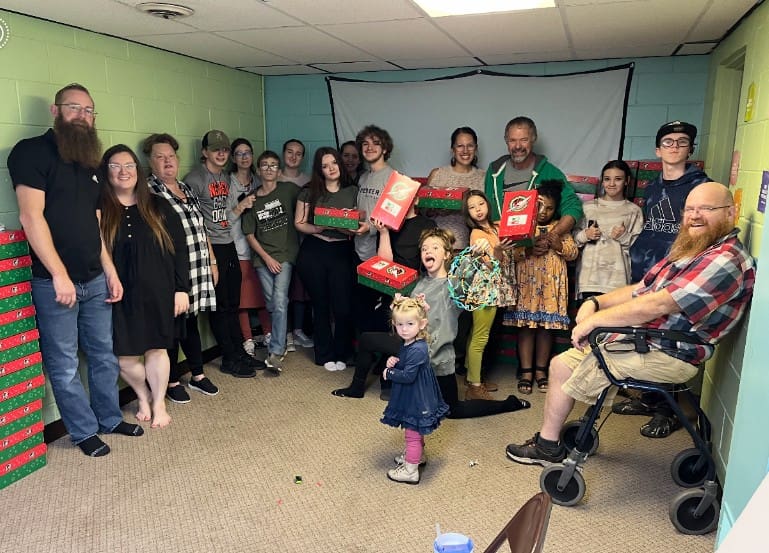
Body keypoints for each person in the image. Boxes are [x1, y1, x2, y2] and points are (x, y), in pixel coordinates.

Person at [505, 182, 755, 467]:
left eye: (706, 209)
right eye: (690, 209)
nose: (695, 216)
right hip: (649, 340)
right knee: (561, 364)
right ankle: (548, 444)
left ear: (730, 213)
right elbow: (642, 288)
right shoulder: (697, 249)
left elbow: (658, 304)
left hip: (669, 352)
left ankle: (549, 447)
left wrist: (595, 321)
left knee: (574, 362)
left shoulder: (724, 259)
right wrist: (596, 302)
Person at [9, 83, 143, 457]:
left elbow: (95, 224)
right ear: (56, 112)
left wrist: (110, 271)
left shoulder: (90, 163)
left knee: (104, 355)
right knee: (65, 363)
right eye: (74, 107)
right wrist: (59, 274)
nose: (82, 116)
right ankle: (83, 431)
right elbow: (31, 217)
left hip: (95, 278)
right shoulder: (30, 152)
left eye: (88, 110)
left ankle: (109, 419)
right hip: (54, 283)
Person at [333, 228, 529, 419]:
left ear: (447, 255)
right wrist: (399, 306)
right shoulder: (417, 283)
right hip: (412, 349)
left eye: (435, 247)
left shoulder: (453, 285)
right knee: (367, 339)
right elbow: (407, 320)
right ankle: (356, 389)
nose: (428, 251)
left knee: (453, 411)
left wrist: (482, 252)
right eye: (425, 248)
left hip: (436, 358)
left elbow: (475, 271)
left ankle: (508, 404)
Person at [621, 121, 712, 438]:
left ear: (690, 149)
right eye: (668, 142)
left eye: (682, 142)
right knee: (643, 336)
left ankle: (668, 411)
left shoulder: (700, 187)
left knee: (669, 340)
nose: (674, 147)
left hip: (676, 276)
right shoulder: (653, 186)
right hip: (647, 271)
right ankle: (649, 398)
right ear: (658, 150)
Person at [99, 144, 189, 428]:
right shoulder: (101, 210)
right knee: (124, 358)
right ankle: (143, 394)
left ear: (138, 170)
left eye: (129, 165)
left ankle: (158, 402)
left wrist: (181, 289)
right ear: (106, 172)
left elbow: (180, 249)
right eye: (115, 166)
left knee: (156, 350)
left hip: (158, 290)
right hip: (119, 294)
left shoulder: (159, 206)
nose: (123, 172)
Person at [144, 133, 220, 403]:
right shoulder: (149, 192)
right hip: (171, 273)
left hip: (197, 268)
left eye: (171, 156)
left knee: (190, 322)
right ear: (150, 161)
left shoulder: (186, 188)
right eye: (160, 157)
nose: (167, 162)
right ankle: (172, 381)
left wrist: (212, 261)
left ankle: (197, 375)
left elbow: (201, 228)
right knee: (172, 327)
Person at [184, 130, 263, 379]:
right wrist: (209, 256)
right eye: (215, 149)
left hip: (228, 242)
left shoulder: (226, 178)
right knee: (219, 305)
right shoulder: (195, 179)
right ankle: (229, 358)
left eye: (225, 149)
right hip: (211, 247)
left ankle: (238, 352)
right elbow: (192, 219)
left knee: (232, 303)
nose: (221, 153)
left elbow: (228, 212)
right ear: (204, 152)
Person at [507, 181, 578, 394]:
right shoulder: (522, 227)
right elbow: (509, 254)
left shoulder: (561, 228)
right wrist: (528, 251)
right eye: (539, 206)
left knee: (546, 330)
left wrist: (558, 245)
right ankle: (526, 372)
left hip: (549, 289)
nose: (543, 212)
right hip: (527, 286)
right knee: (526, 329)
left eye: (549, 208)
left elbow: (573, 253)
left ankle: (541, 371)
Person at [294, 147, 357, 371]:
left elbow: (356, 225)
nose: (331, 169)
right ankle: (323, 354)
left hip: (342, 251)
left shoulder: (353, 191)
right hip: (315, 250)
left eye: (334, 163)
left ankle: (342, 353)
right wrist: (318, 227)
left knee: (342, 307)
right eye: (325, 165)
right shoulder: (309, 191)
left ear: (340, 164)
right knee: (320, 305)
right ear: (319, 169)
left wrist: (346, 227)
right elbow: (299, 223)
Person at [241, 150, 301, 372]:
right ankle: (282, 338)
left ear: (278, 170)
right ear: (258, 170)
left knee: (279, 300)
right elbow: (249, 234)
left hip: (285, 255)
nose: (269, 168)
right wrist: (266, 258)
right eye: (264, 165)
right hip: (262, 259)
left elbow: (308, 202)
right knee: (272, 304)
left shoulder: (289, 190)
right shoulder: (252, 199)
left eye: (273, 165)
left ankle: (276, 350)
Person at [381, 294, 449, 484]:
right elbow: (406, 363)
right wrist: (394, 361)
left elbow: (408, 376)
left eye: (410, 324)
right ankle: (417, 456)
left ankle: (411, 471)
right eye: (400, 324)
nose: (404, 329)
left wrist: (389, 372)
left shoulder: (418, 349)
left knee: (412, 432)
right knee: (416, 430)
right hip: (415, 393)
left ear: (421, 324)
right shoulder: (410, 343)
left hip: (416, 396)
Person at [484, 116, 583, 238]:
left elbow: (573, 206)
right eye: (512, 140)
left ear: (533, 139)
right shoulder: (494, 171)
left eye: (524, 140)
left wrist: (552, 235)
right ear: (506, 141)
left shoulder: (550, 172)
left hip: (535, 244)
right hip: (498, 244)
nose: (518, 146)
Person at [462, 191, 516, 400]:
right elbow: (491, 265)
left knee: (477, 333)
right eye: (472, 207)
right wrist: (499, 250)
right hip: (485, 289)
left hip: (495, 289)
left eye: (481, 204)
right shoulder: (476, 234)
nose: (478, 209)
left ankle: (472, 377)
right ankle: (475, 386)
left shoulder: (497, 226)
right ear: (468, 213)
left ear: (488, 204)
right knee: (480, 337)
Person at [227, 138, 272, 356]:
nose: (244, 157)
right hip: (237, 246)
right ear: (233, 158)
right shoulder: (227, 183)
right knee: (242, 299)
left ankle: (269, 334)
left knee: (263, 294)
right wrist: (240, 206)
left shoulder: (259, 180)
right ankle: (247, 339)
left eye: (247, 153)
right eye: (239, 153)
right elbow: (223, 220)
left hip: (261, 247)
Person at [573, 160, 643, 299]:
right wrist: (585, 235)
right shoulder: (588, 207)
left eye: (618, 179)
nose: (611, 184)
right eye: (607, 179)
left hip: (618, 282)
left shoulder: (634, 211)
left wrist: (624, 236)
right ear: (602, 181)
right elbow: (572, 241)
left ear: (627, 181)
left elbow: (639, 251)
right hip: (589, 280)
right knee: (588, 313)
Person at [353, 125, 397, 333]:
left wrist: (369, 228)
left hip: (380, 252)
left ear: (385, 149)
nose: (369, 147)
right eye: (365, 144)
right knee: (361, 306)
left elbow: (394, 218)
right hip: (358, 249)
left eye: (375, 143)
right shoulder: (363, 177)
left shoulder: (393, 178)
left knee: (379, 310)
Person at [425, 126, 486, 249]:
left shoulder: (484, 177)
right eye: (460, 146)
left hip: (468, 241)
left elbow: (486, 216)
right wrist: (438, 208)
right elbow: (423, 211)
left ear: (476, 148)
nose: (465, 151)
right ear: (453, 149)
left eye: (470, 146)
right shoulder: (437, 174)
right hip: (435, 237)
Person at [279, 139, 314, 352]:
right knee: (280, 291)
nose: (293, 156)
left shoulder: (308, 182)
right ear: (283, 154)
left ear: (303, 157)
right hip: (279, 245)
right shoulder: (273, 178)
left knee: (299, 290)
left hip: (302, 243)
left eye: (298, 153)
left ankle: (298, 330)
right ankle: (284, 332)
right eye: (290, 152)